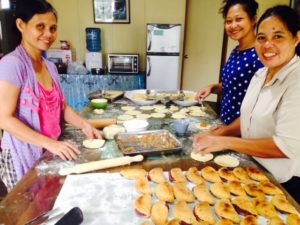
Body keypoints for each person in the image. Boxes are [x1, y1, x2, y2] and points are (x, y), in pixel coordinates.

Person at [193, 5, 300, 202]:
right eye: (262, 38)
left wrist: (224, 141)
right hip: (255, 169)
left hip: (285, 181)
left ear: (296, 38)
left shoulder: (296, 80)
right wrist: (222, 132)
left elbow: (286, 146)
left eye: (278, 36)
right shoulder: (261, 74)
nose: (267, 45)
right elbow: (249, 116)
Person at [0, 0, 101, 191]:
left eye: (52, 28)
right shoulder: (12, 64)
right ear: (21, 25)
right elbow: (3, 118)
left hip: (49, 150)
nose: (48, 34)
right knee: (29, 212)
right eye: (40, 26)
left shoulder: (51, 67)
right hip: (23, 154)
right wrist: (51, 144)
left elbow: (62, 107)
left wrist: (85, 125)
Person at [196, 0, 263, 125]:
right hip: (225, 123)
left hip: (242, 131)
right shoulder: (236, 51)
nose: (233, 25)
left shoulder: (260, 55)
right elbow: (235, 87)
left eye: (239, 19)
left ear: (253, 20)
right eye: (228, 21)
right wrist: (213, 87)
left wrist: (224, 133)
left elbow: (259, 108)